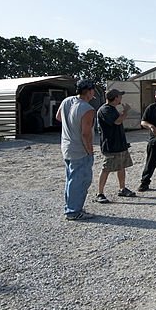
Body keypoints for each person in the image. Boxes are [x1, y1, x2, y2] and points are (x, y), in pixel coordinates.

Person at [56, 79, 97, 221]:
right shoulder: (87, 109)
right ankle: (74, 211)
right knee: (81, 180)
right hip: (79, 149)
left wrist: (70, 125)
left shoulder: (67, 101)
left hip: (66, 147)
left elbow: (58, 117)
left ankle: (71, 206)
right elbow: (86, 134)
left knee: (71, 179)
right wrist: (90, 152)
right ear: (90, 91)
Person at [95, 88, 137, 203]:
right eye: (120, 96)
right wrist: (126, 111)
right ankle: (100, 193)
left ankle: (122, 188)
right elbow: (117, 121)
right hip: (110, 146)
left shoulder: (112, 109)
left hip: (120, 144)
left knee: (121, 166)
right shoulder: (105, 110)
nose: (121, 98)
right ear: (115, 98)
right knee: (106, 168)